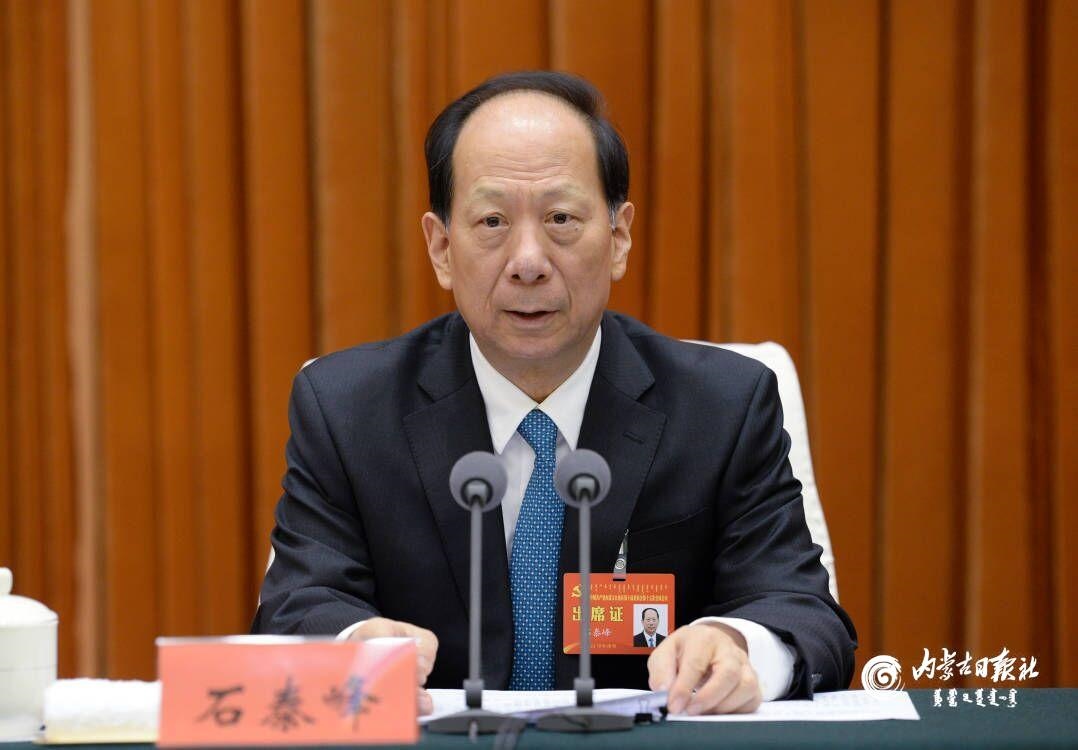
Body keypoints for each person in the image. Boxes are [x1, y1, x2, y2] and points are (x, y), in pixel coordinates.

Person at [252, 71, 857, 716]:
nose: (528, 261)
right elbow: (296, 604)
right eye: (492, 221)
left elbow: (802, 611)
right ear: (442, 247)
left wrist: (739, 645)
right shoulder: (348, 409)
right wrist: (353, 647)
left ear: (619, 237)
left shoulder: (723, 406)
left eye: (561, 218)